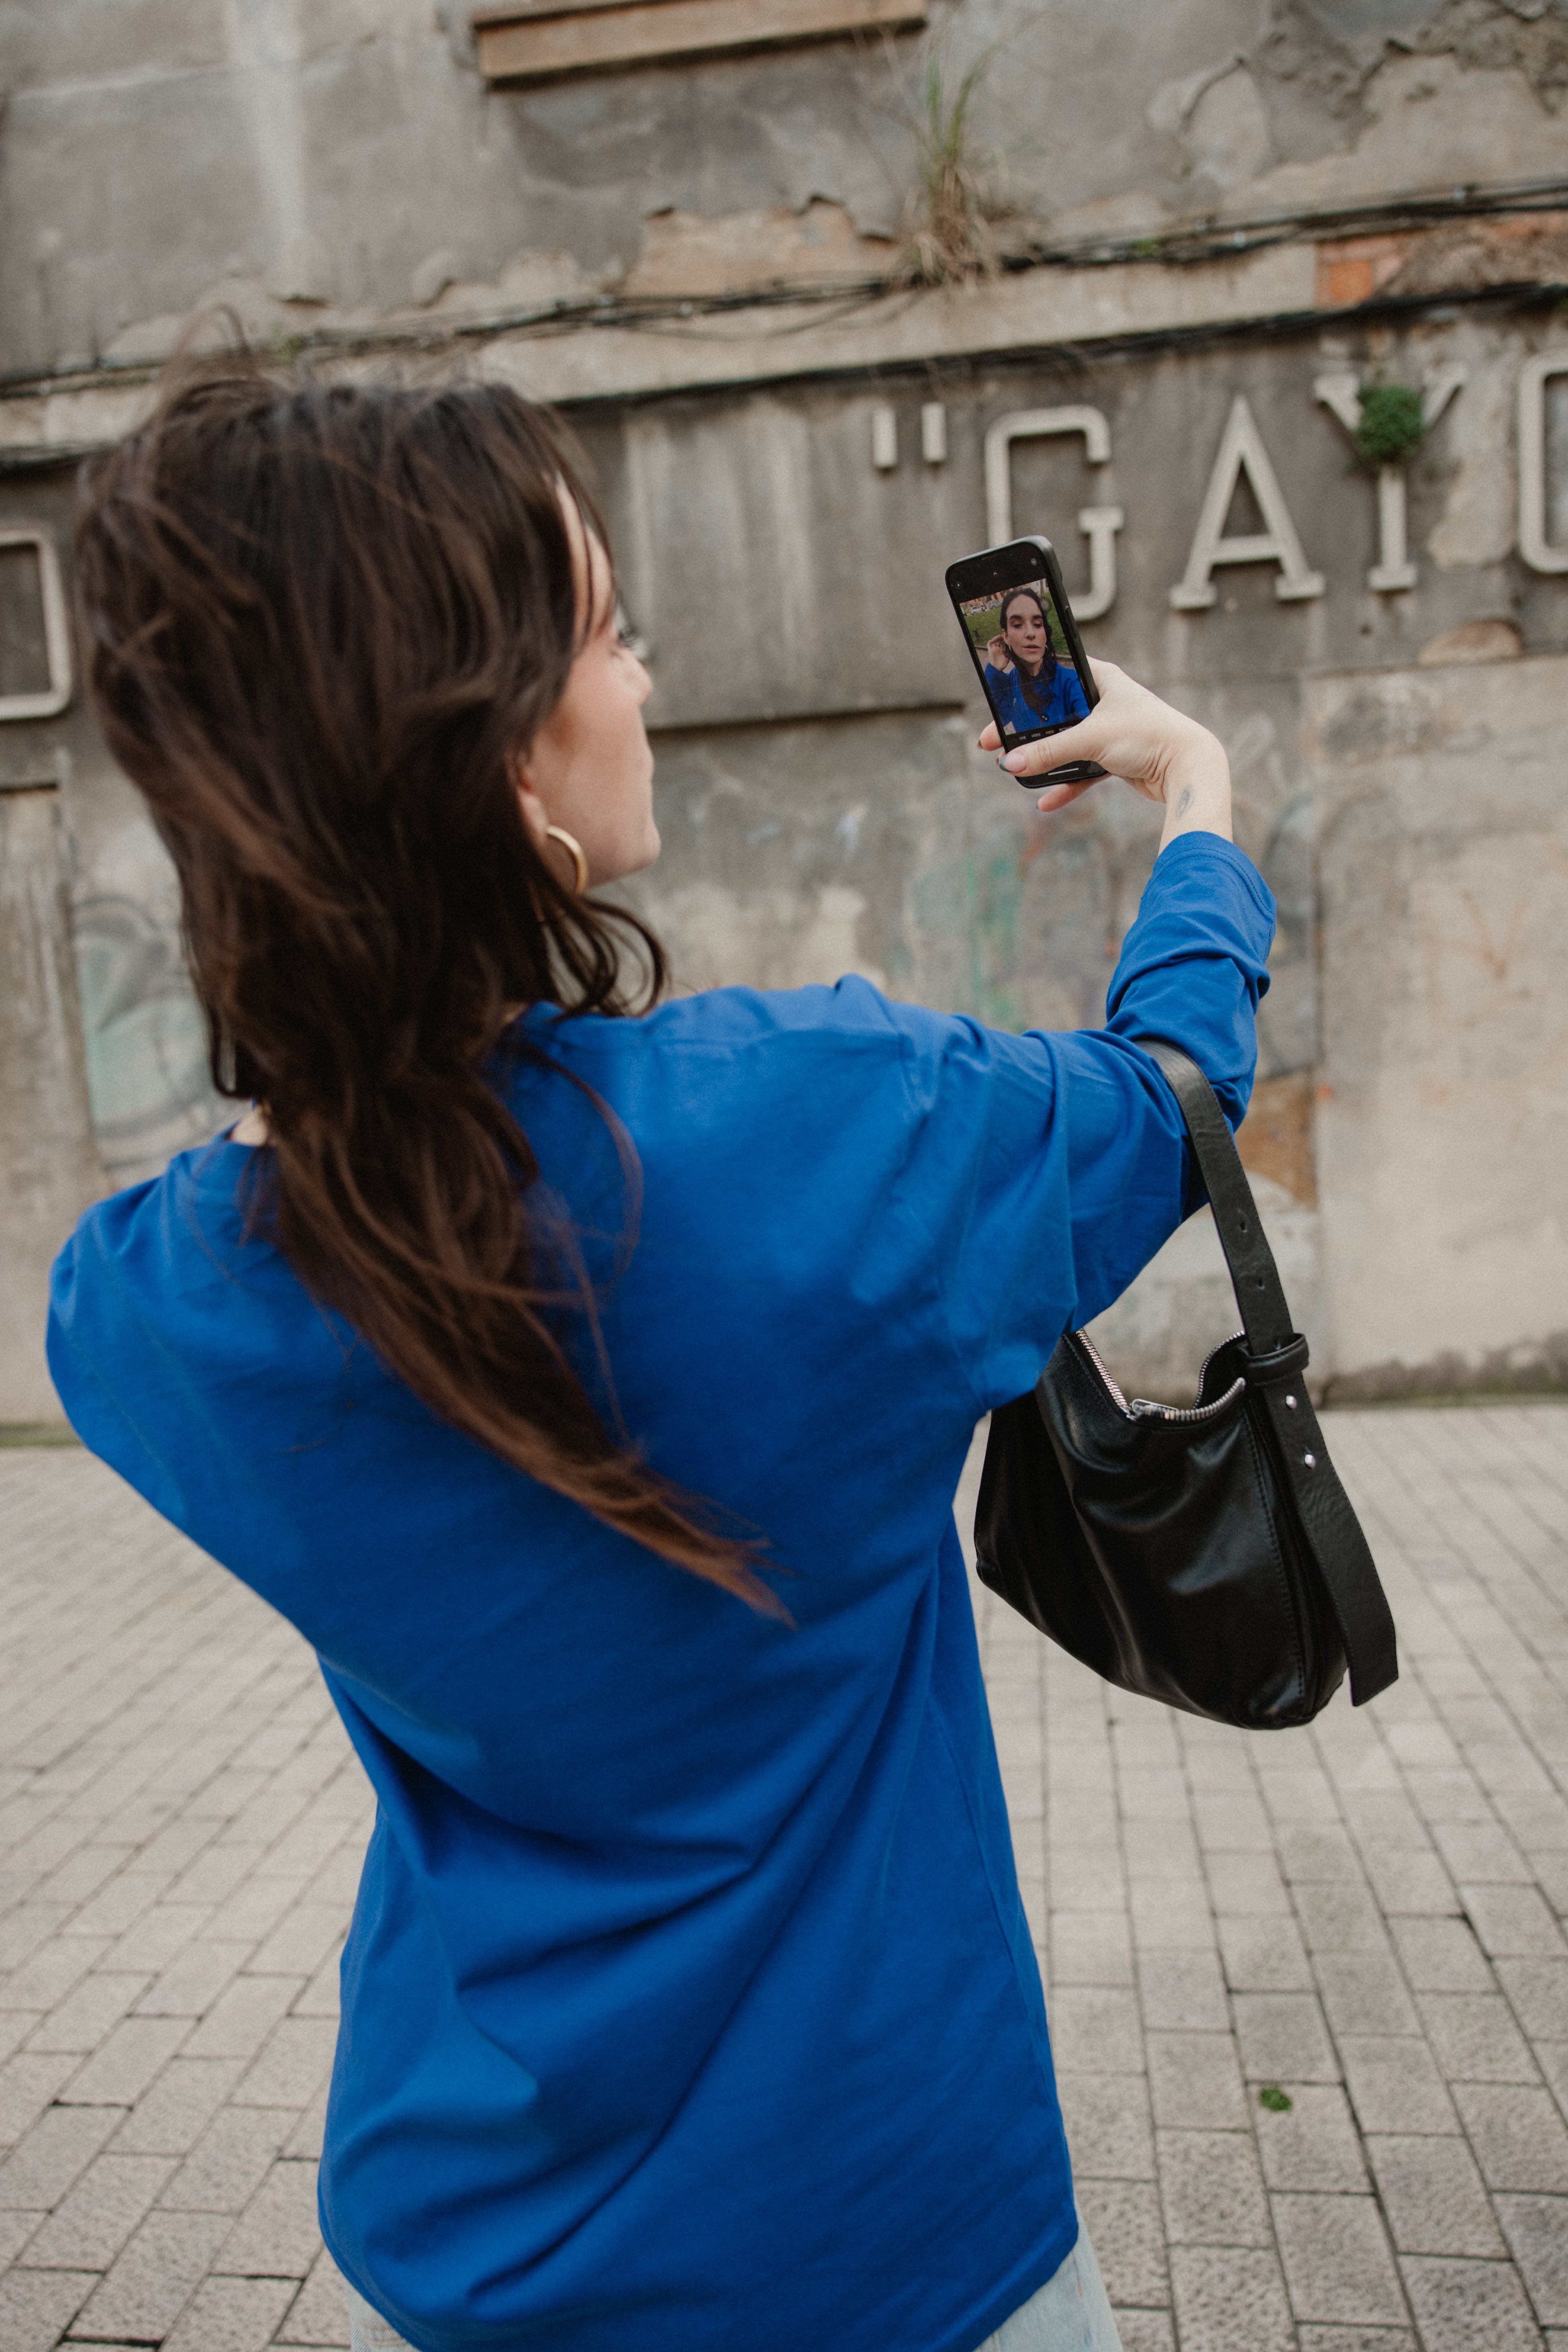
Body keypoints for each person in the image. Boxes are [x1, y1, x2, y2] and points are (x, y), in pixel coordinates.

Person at [49, 361, 1273, 2352]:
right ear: (500, 759)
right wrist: (1190, 783)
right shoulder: (821, 1127)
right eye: (605, 626)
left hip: (485, 2257)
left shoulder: (151, 1317)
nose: (642, 666)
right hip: (897, 2246)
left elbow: (253, 1208)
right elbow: (1171, 1089)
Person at [982, 585, 1091, 735]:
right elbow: (1001, 718)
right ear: (1005, 636)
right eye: (1018, 625)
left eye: (1038, 624)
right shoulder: (1010, 683)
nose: (1031, 633)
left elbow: (1092, 729)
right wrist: (994, 669)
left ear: (1045, 633)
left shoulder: (1069, 682)